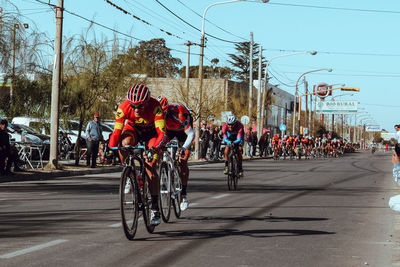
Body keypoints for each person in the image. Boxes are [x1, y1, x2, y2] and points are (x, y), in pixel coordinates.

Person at [109, 84, 167, 225]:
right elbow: (116, 132)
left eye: (140, 106)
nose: (136, 110)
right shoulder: (123, 108)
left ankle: (154, 208)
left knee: (150, 169)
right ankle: (129, 171)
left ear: (147, 102)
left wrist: (154, 149)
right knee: (124, 142)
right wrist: (111, 148)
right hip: (133, 130)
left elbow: (162, 134)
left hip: (152, 133)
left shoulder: (156, 107)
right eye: (133, 106)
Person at [158, 96, 194, 211]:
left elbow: (191, 134)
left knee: (182, 162)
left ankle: (183, 195)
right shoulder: (157, 116)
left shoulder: (179, 115)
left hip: (183, 133)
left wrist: (183, 148)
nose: (161, 117)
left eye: (163, 114)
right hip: (168, 131)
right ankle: (165, 174)